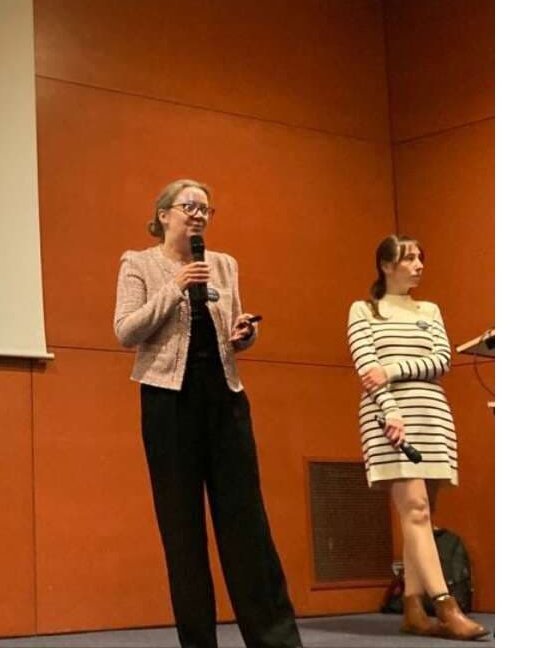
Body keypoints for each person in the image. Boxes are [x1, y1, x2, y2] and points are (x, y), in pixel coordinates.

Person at [114, 179, 302, 648]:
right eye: (189, 207)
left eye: (206, 209)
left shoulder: (224, 264)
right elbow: (125, 331)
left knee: (248, 524)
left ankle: (275, 640)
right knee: (183, 532)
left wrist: (244, 334)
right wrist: (174, 288)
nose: (199, 215)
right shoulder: (138, 263)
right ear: (163, 215)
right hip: (168, 403)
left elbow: (233, 328)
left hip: (225, 398)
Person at [346, 235, 489, 641]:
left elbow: (441, 359)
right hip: (388, 415)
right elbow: (367, 366)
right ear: (386, 265)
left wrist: (393, 370)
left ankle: (412, 609)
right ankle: (445, 606)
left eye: (420, 258)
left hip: (432, 414)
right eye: (409, 258)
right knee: (416, 510)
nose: (419, 265)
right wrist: (389, 409)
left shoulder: (430, 309)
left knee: (423, 515)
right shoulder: (364, 309)